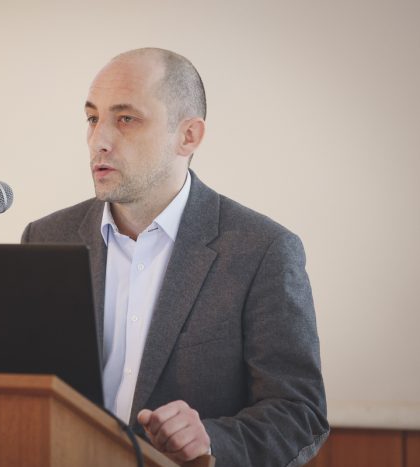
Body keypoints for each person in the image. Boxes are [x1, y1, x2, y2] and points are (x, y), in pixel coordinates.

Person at [21, 48, 328, 467]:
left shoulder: (262, 251)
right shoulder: (45, 239)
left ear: (189, 136)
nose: (99, 141)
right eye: (92, 119)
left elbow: (299, 416)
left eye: (125, 119)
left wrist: (211, 441)